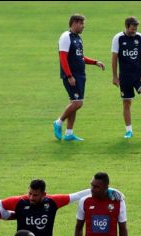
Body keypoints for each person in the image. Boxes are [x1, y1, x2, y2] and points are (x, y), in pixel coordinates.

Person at [53, 14, 105, 142]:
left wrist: (95, 62)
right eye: (81, 24)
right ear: (74, 23)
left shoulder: (78, 38)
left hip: (80, 76)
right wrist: (69, 76)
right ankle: (58, 122)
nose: (83, 26)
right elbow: (63, 58)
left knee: (74, 103)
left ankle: (69, 133)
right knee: (77, 103)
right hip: (72, 76)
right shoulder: (66, 37)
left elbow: (80, 57)